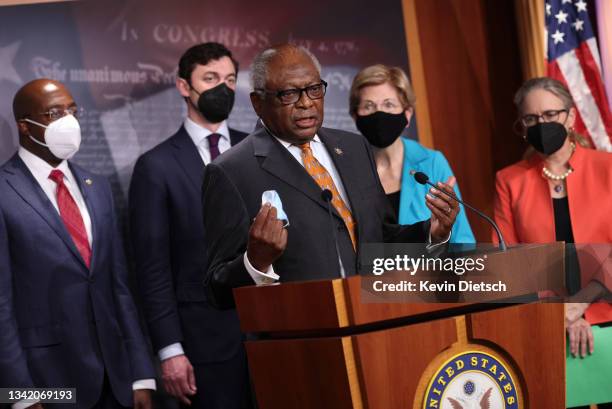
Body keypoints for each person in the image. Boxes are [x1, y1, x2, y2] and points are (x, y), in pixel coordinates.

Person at [201, 44, 458, 304]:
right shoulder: (231, 172)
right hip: (304, 336)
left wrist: (431, 232)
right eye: (289, 94)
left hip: (377, 323)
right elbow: (217, 289)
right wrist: (255, 262)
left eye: (314, 90)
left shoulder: (355, 148)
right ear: (258, 102)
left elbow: (381, 239)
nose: (306, 103)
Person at [0, 79, 155, 408]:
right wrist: (20, 394)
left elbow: (119, 286)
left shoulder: (97, 185)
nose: (68, 120)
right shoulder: (3, 191)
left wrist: (141, 373)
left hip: (116, 380)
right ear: (25, 127)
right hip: (47, 382)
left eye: (72, 110)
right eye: (55, 113)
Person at [128, 43, 250, 409]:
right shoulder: (156, 166)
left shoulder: (258, 150)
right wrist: (170, 350)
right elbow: (152, 269)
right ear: (184, 87)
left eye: (229, 79)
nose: (222, 89)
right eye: (210, 78)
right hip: (204, 346)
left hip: (269, 333)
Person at [493, 77, 611, 408]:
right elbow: (509, 264)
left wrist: (582, 306)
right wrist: (558, 314)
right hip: (545, 326)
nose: (541, 124)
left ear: (570, 117)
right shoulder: (509, 181)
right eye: (531, 119)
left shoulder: (608, 168)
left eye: (550, 115)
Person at [349, 64, 475, 243]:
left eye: (389, 104)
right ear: (355, 116)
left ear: (407, 115)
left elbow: (463, 241)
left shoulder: (432, 162)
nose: (379, 114)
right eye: (368, 106)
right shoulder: (348, 170)